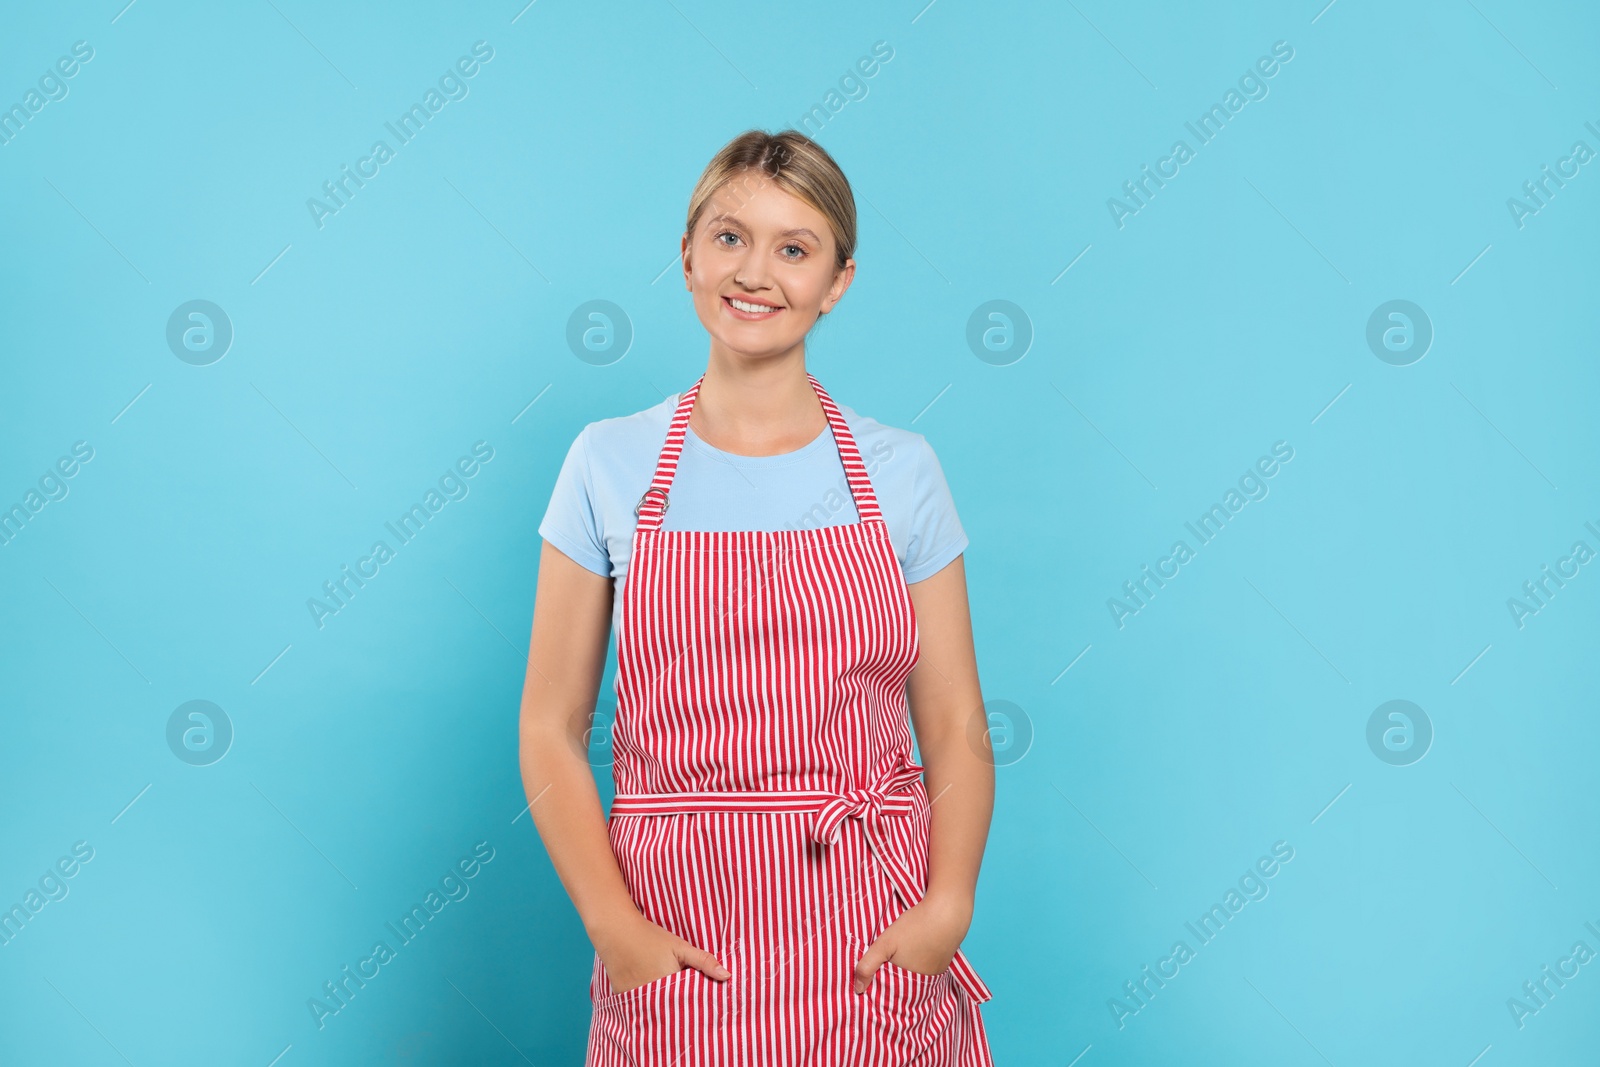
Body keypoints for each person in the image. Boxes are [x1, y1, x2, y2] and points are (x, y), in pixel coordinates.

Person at [519, 128, 996, 1065]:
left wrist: (948, 903)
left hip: (869, 930)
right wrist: (615, 927)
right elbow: (548, 726)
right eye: (731, 237)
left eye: (795, 247)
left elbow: (953, 724)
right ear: (687, 256)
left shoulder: (902, 472)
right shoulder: (607, 464)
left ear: (838, 281)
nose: (757, 273)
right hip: (680, 932)